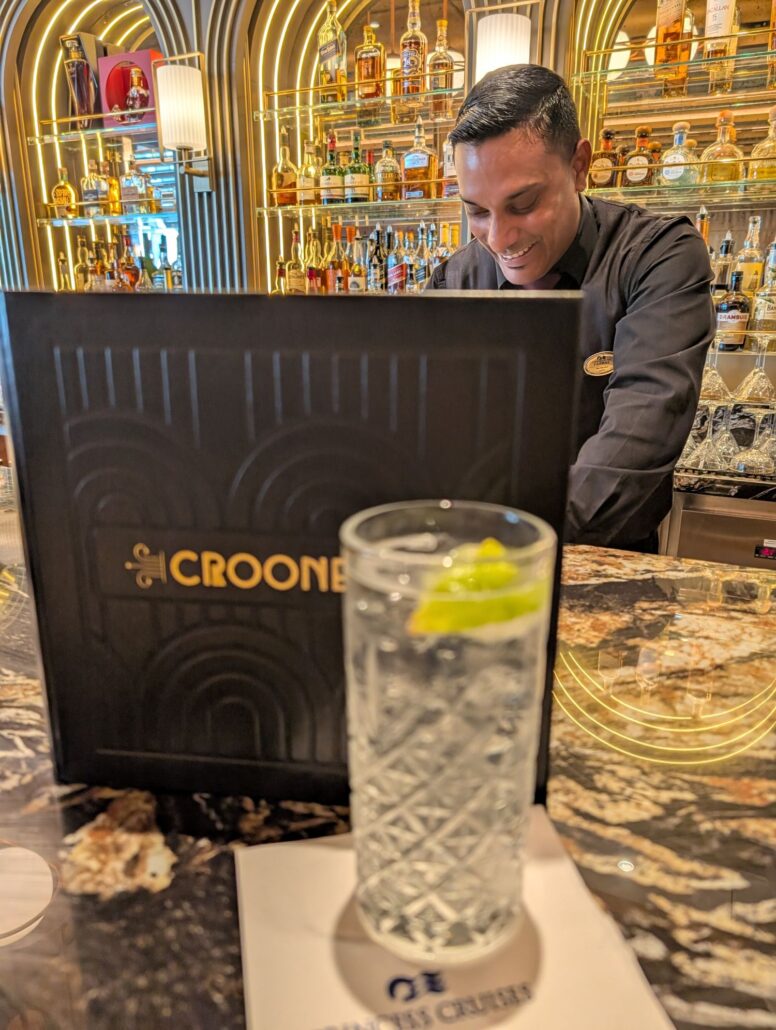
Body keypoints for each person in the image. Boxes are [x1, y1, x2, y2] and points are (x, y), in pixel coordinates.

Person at [428, 65, 714, 553]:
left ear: (579, 165)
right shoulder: (456, 279)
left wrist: (508, 547)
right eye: (477, 210)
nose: (498, 239)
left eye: (523, 203)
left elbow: (640, 433)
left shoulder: (657, 256)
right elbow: (427, 434)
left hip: (608, 560)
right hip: (471, 556)